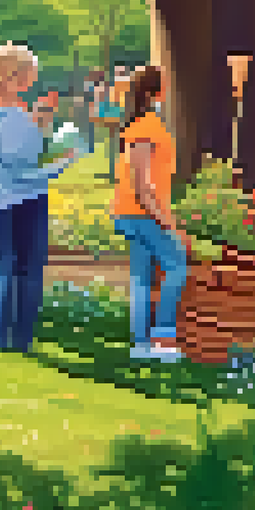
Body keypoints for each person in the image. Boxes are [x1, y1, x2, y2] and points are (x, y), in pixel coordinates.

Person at [0, 43, 79, 354]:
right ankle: (20, 341)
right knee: (25, 272)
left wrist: (40, 127)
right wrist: (65, 159)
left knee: (4, 268)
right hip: (22, 199)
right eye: (29, 75)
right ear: (12, 76)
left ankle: (2, 340)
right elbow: (31, 166)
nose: (33, 81)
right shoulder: (10, 116)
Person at [110, 66, 188, 362]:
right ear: (156, 91)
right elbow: (142, 184)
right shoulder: (143, 128)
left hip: (137, 212)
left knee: (142, 278)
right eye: (164, 85)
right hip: (142, 212)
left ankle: (141, 344)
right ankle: (162, 339)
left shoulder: (144, 123)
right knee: (177, 266)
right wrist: (167, 222)